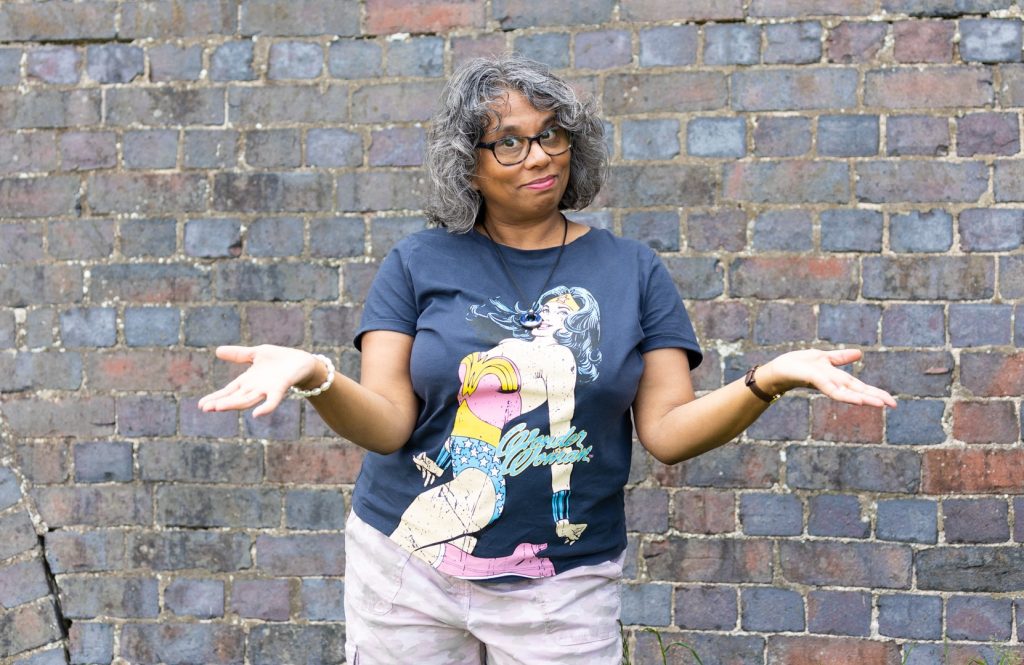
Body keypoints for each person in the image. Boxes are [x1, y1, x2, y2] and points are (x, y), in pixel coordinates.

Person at [198, 54, 896, 664]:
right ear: (466, 161)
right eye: (508, 142)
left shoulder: (631, 269)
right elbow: (387, 424)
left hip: (561, 583)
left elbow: (668, 431)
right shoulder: (418, 263)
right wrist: (317, 376)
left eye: (550, 134)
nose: (538, 156)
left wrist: (766, 380)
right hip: (406, 567)